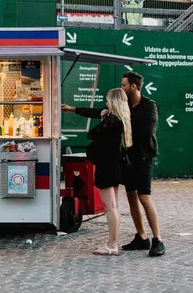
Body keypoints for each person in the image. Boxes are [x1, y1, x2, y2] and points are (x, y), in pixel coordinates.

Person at [62, 71, 165, 257]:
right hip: (126, 159)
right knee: (131, 196)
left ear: (133, 86)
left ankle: (158, 239)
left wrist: (119, 122)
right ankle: (142, 237)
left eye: (124, 85)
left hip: (142, 159)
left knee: (144, 197)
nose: (122, 87)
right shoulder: (122, 106)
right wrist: (72, 109)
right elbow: (99, 111)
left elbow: (146, 132)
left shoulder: (149, 106)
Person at [86, 88, 132, 256]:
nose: (106, 103)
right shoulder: (122, 119)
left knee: (109, 207)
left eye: (108, 100)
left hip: (106, 166)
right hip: (114, 165)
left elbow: (92, 134)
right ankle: (112, 242)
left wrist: (104, 116)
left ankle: (112, 244)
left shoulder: (112, 120)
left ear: (113, 102)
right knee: (113, 206)